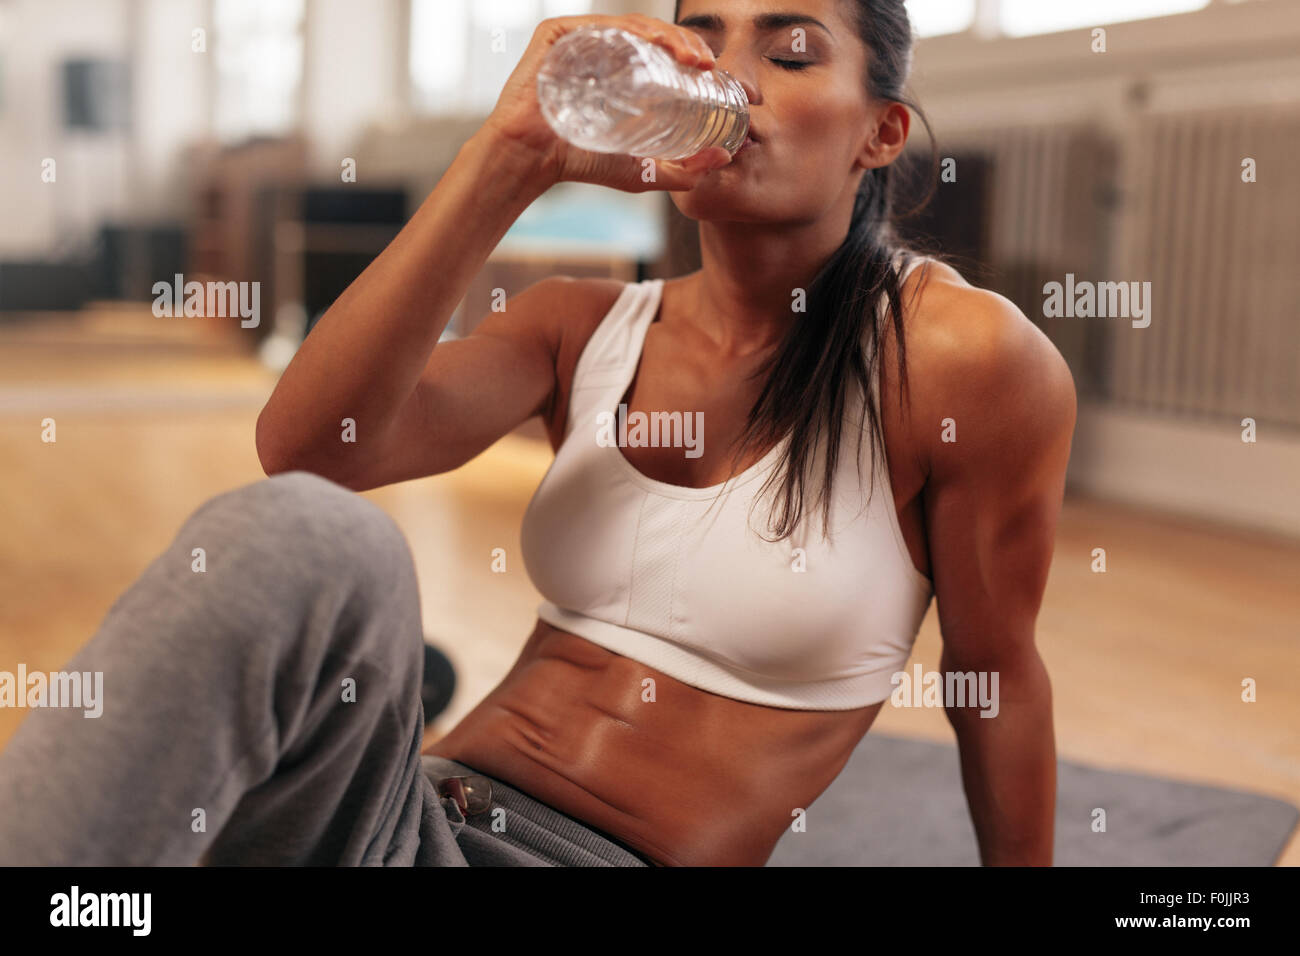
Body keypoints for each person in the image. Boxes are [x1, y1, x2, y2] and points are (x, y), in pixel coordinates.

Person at [0, 1, 1076, 867]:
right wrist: (508, 155)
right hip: (405, 823)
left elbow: (999, 674)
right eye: (698, 40)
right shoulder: (580, 325)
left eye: (789, 51)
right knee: (311, 541)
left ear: (879, 130)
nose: (730, 78)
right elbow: (311, 449)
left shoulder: (960, 357)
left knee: (347, 598)